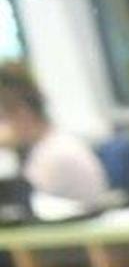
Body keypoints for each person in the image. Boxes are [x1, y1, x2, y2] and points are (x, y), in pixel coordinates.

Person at [0, 64, 107, 208]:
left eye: (3, 118)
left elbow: (26, 206)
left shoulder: (54, 155)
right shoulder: (51, 145)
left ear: (22, 113)